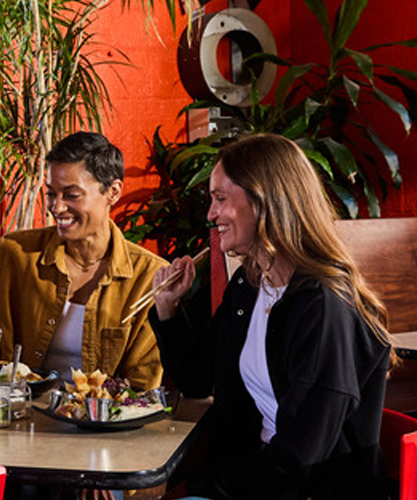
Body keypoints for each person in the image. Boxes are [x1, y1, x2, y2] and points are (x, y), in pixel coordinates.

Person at [151, 133, 395, 500]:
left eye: (220, 199)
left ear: (264, 202)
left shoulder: (322, 305)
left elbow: (301, 455)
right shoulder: (250, 286)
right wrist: (168, 310)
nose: (210, 215)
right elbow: (197, 378)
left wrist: (214, 490)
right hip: (262, 479)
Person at [0, 131, 167, 392]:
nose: (57, 207)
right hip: (18, 417)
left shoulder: (150, 277)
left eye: (71, 195)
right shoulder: (13, 255)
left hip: (102, 425)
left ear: (113, 192)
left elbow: (143, 383)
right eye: (51, 194)